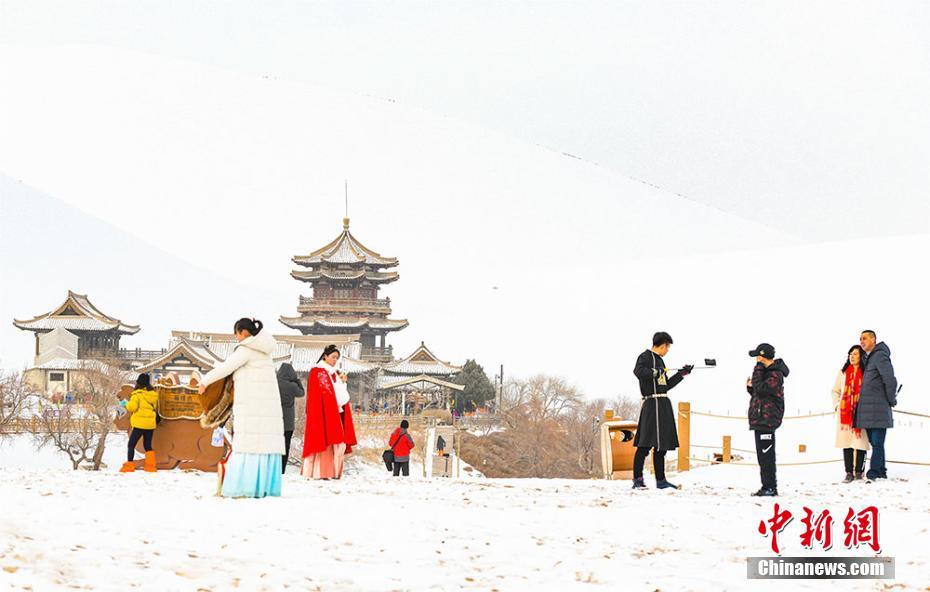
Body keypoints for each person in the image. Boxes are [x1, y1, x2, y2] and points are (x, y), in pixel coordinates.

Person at [198, 318, 284, 498]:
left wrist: (205, 381)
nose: (236, 338)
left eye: (236, 334)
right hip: (267, 409)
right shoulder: (265, 353)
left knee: (248, 445)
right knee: (264, 446)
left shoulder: (246, 350)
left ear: (244, 333)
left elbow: (225, 368)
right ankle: (264, 488)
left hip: (251, 407)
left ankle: (243, 487)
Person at [631, 332, 694, 490]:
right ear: (663, 344)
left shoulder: (660, 361)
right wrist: (654, 372)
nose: (667, 350)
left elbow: (665, 385)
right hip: (651, 404)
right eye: (668, 347)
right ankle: (638, 480)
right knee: (645, 444)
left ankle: (661, 481)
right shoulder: (645, 357)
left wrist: (681, 374)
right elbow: (638, 372)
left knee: (662, 446)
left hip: (663, 404)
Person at [302, 345, 357, 480]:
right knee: (324, 441)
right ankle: (320, 472)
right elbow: (324, 395)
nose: (335, 360)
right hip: (322, 412)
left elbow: (338, 395)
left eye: (337, 358)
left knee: (337, 443)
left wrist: (343, 383)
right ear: (325, 356)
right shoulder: (318, 371)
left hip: (335, 411)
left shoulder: (333, 373)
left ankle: (332, 472)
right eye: (333, 357)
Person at [854, 330, 898, 481]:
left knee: (878, 442)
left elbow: (890, 379)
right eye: (860, 339)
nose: (862, 341)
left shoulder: (879, 355)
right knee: (876, 443)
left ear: (873, 339)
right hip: (869, 409)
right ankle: (881, 471)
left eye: (865, 338)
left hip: (878, 408)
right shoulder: (870, 358)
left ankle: (873, 473)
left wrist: (891, 400)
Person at [746, 343, 789, 497]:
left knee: (766, 456)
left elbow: (763, 388)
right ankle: (767, 486)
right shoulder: (768, 372)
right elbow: (761, 393)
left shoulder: (775, 374)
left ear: (763, 356)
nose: (756, 359)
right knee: (763, 456)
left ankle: (770, 487)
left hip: (767, 420)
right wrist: (751, 387)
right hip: (761, 418)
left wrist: (757, 369)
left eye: (758, 356)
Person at [832, 345, 869, 482]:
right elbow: (835, 390)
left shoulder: (866, 373)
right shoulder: (843, 373)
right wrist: (837, 405)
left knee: (860, 442)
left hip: (861, 412)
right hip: (845, 413)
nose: (852, 357)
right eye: (850, 354)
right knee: (846, 442)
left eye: (855, 354)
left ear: (861, 356)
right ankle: (849, 472)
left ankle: (859, 472)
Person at [119, 373, 159, 473]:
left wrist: (125, 403)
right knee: (147, 445)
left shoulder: (137, 395)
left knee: (131, 445)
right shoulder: (153, 395)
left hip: (139, 424)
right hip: (150, 424)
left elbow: (132, 407)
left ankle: (129, 466)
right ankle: (150, 467)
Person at [276, 362, 305, 474]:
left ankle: (273, 469)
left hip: (275, 420)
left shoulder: (274, 383)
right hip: (288, 422)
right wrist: (297, 381)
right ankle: (282, 470)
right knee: (285, 445)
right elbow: (301, 393)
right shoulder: (292, 386)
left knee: (274, 445)